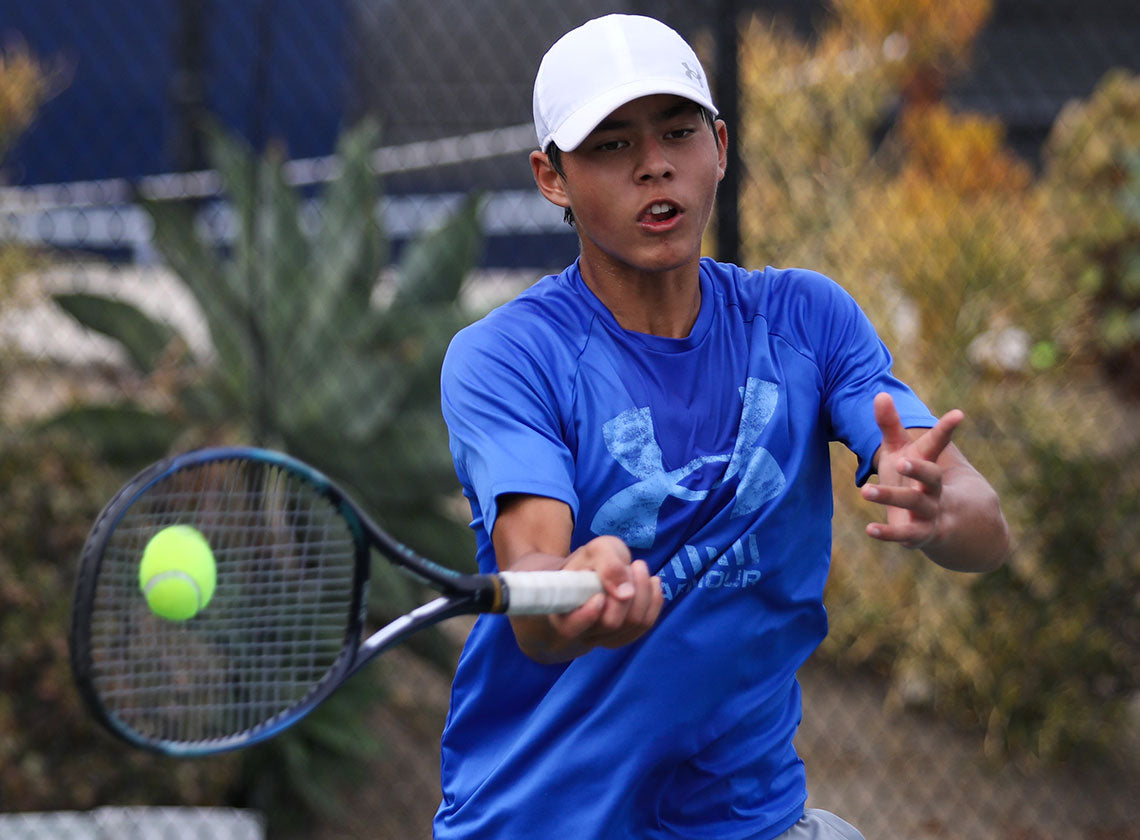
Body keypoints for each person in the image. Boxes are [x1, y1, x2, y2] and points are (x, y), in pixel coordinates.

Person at [434, 13, 1009, 840]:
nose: (654, 164)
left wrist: (944, 511)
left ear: (720, 147)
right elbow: (535, 594)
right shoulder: (507, 357)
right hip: (541, 820)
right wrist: (578, 591)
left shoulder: (806, 320)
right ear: (551, 177)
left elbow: (982, 526)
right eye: (610, 145)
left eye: (677, 131)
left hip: (750, 820)